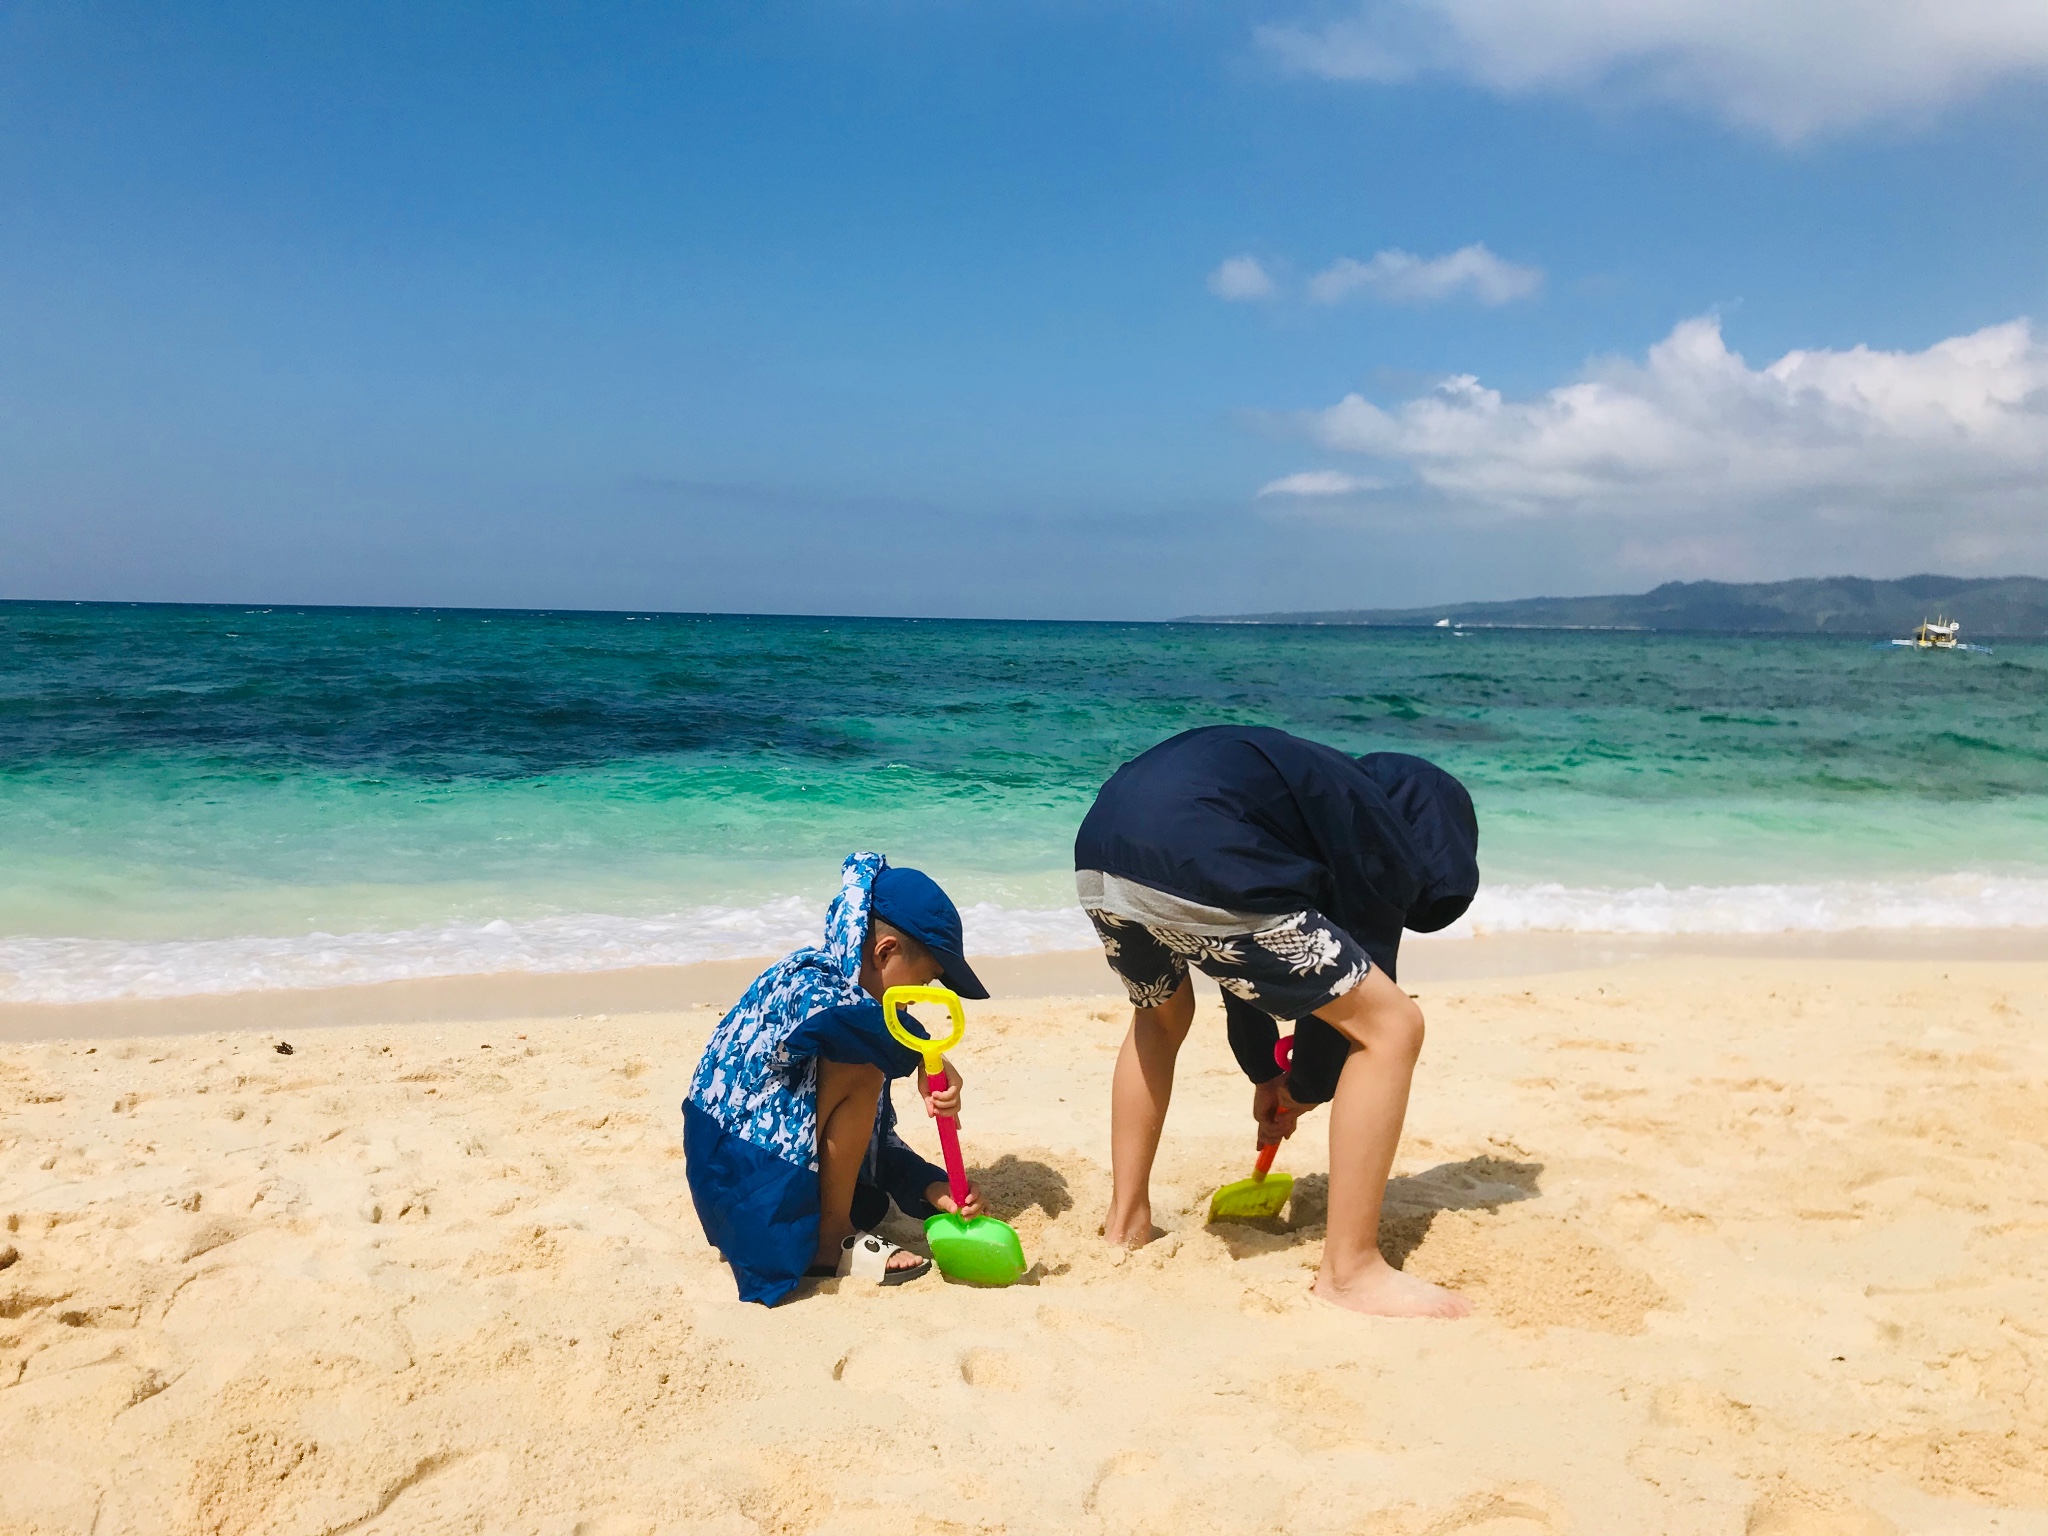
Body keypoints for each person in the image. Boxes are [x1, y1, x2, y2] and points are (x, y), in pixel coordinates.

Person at [1074, 725, 1480, 1318]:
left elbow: (1245, 973)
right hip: (1202, 851)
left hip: (1104, 849)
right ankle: (1351, 1272)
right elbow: (1354, 1003)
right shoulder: (1376, 826)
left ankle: (1126, 1223)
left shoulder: (1311, 793)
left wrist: (1268, 1074)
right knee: (1393, 1026)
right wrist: (1305, 1089)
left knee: (1159, 1019)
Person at [683, 852, 989, 1305]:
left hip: (760, 1179)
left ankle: (831, 1227)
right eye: (922, 983)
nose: (922, 997)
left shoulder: (865, 1016)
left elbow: (871, 1141)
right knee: (860, 1059)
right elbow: (836, 1021)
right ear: (884, 952)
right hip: (739, 1176)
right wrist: (926, 1054)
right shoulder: (807, 979)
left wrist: (929, 1185)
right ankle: (831, 1244)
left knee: (865, 1062)